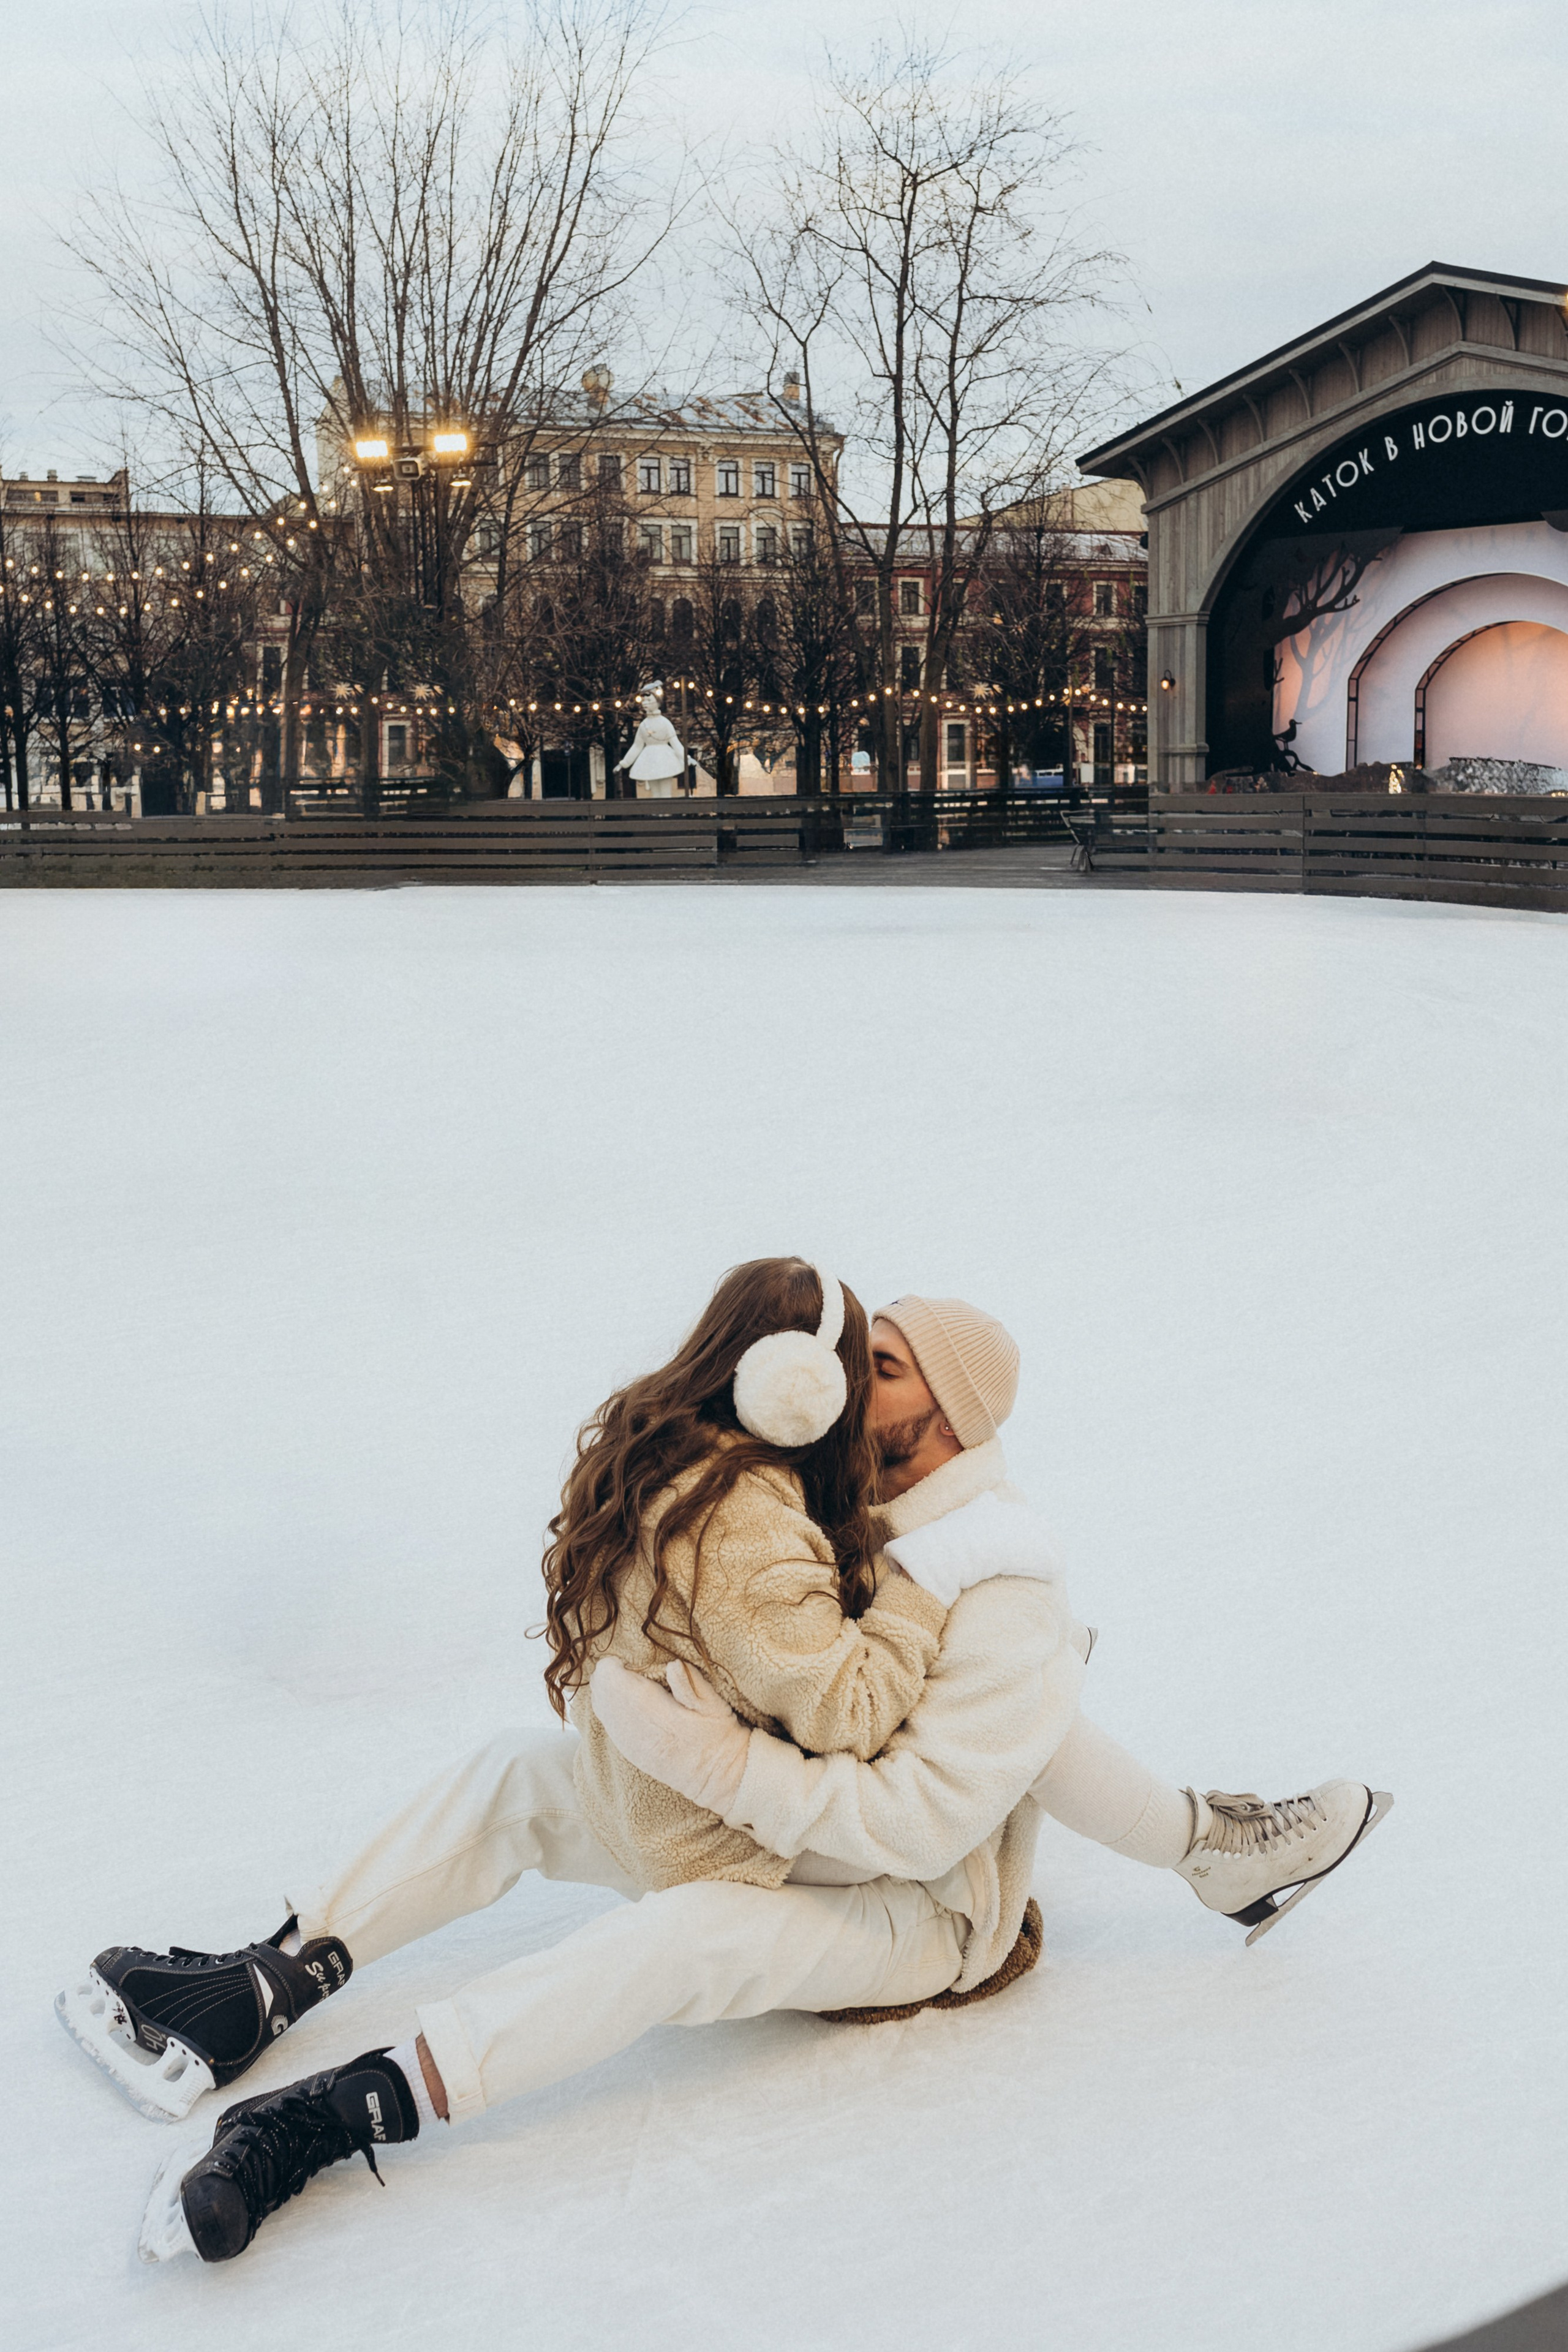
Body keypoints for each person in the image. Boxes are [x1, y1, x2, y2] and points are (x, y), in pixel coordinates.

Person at [57, 1263, 1389, 2268]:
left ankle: (333, 2117)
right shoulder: (852, 1514)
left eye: (879, 1363)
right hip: (773, 1831)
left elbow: (919, 1827)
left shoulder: (1002, 1590)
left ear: (945, 1413)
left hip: (914, 1910)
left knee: (680, 1940)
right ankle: (265, 1980)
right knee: (518, 1776)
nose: (839, 1376)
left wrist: (698, 1754)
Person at [612, 680, 687, 799]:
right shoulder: (643, 725)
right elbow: (637, 746)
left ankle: (667, 810)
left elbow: (675, 742)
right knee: (655, 793)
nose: (645, 703)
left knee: (666, 793)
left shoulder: (665, 723)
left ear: (658, 701)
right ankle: (657, 810)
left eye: (649, 700)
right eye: (644, 701)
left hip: (665, 759)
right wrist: (623, 764)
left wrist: (686, 758)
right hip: (649, 760)